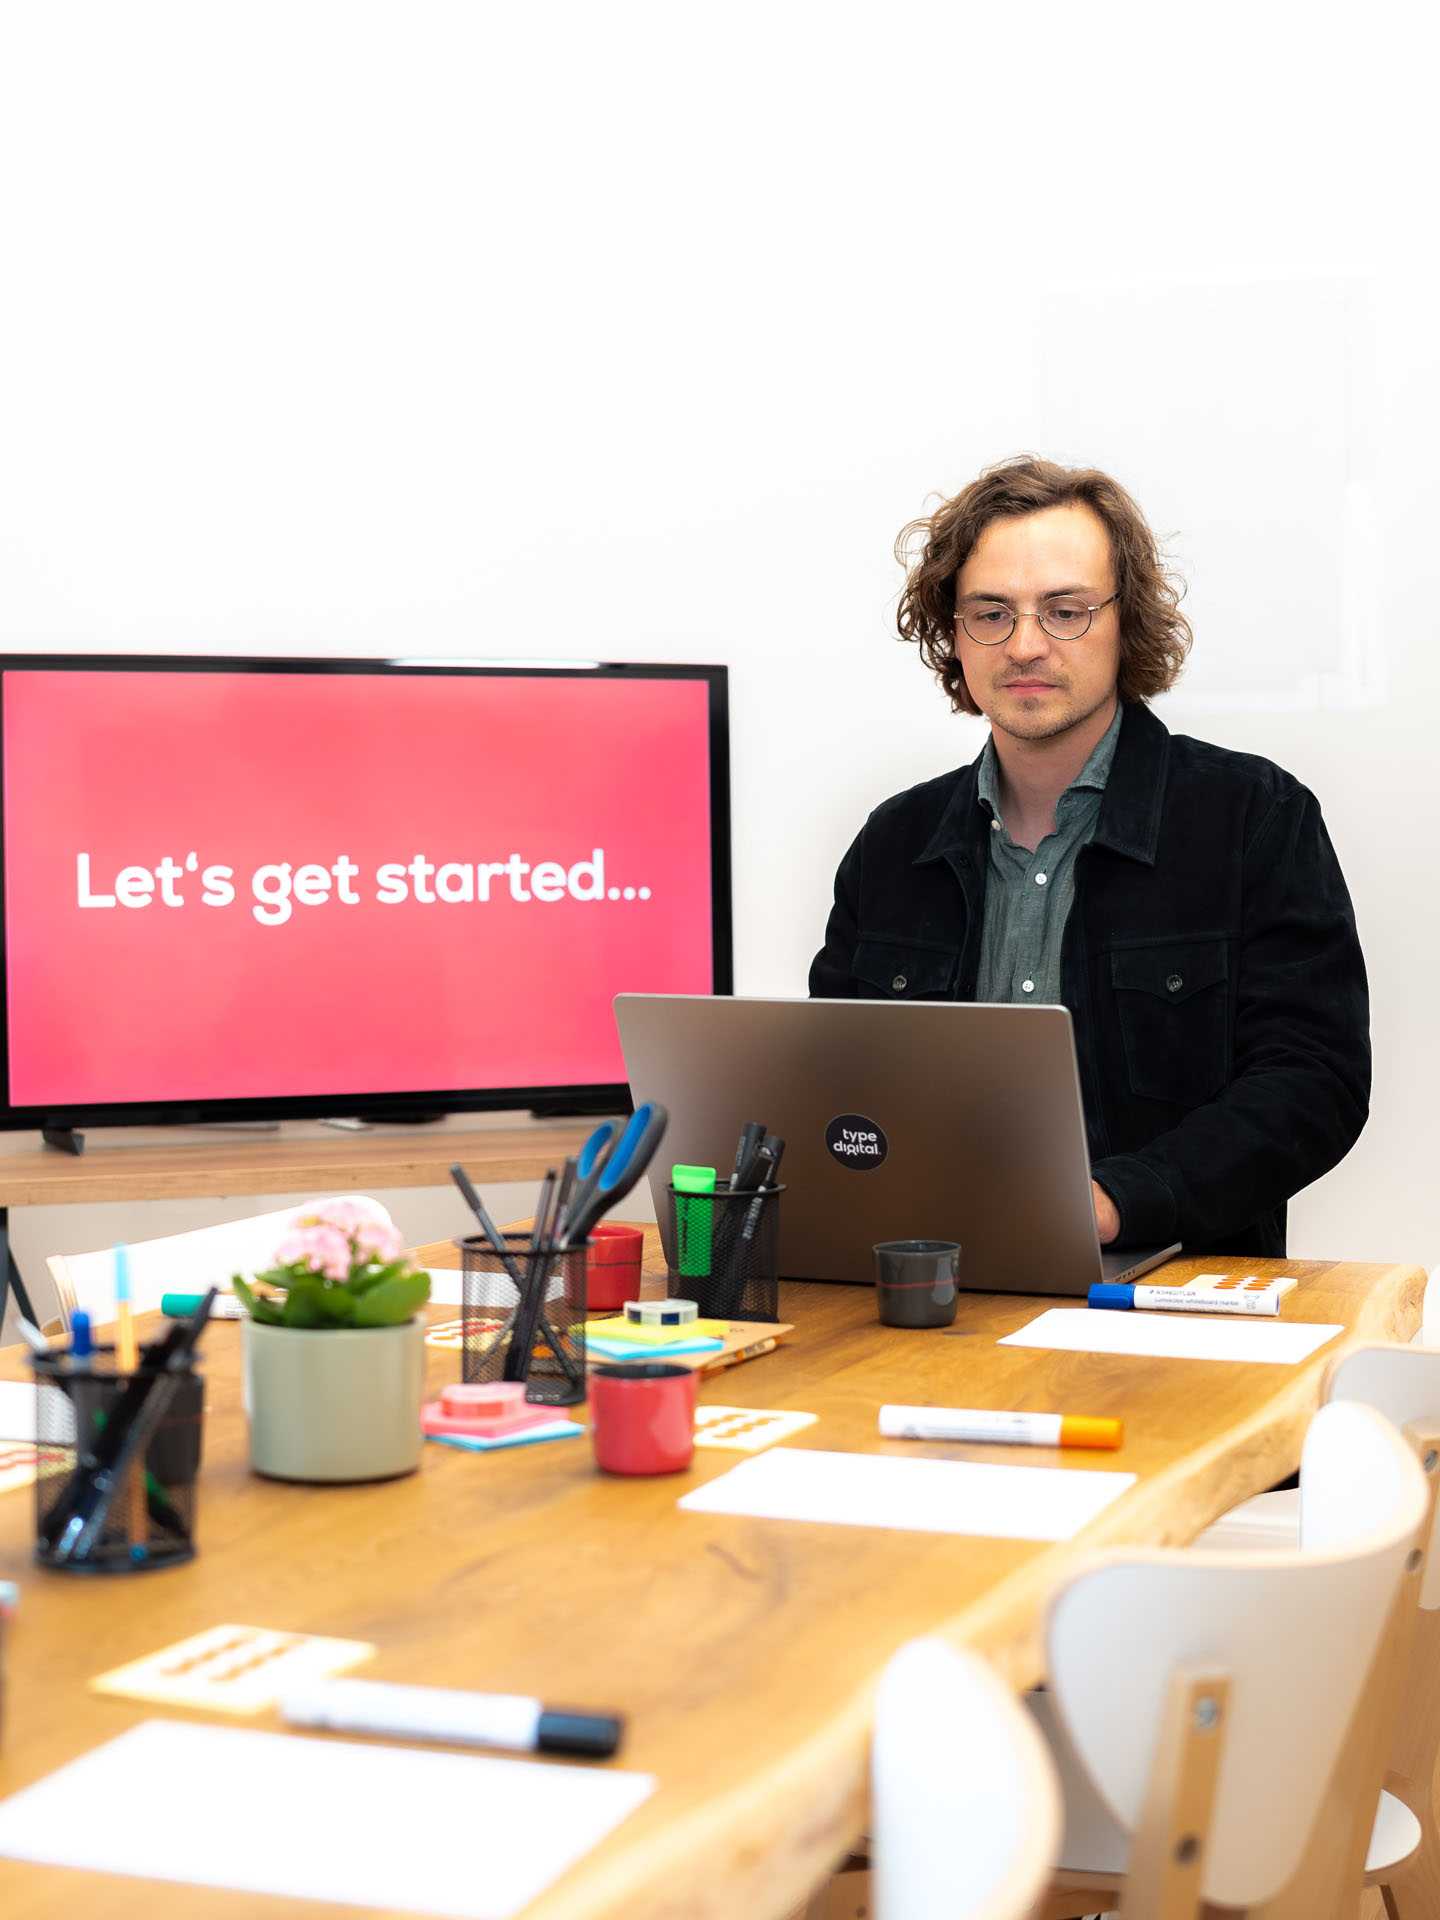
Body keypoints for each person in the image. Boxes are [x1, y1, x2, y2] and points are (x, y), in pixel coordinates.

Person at [809, 455, 1369, 1256]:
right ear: (954, 634)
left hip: (1173, 1298)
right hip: (929, 1293)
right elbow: (836, 1094)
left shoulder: (1253, 819)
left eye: (1065, 611)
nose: (1026, 645)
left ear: (1125, 621)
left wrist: (1115, 1201)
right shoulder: (893, 845)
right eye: (991, 613)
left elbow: (1315, 1083)